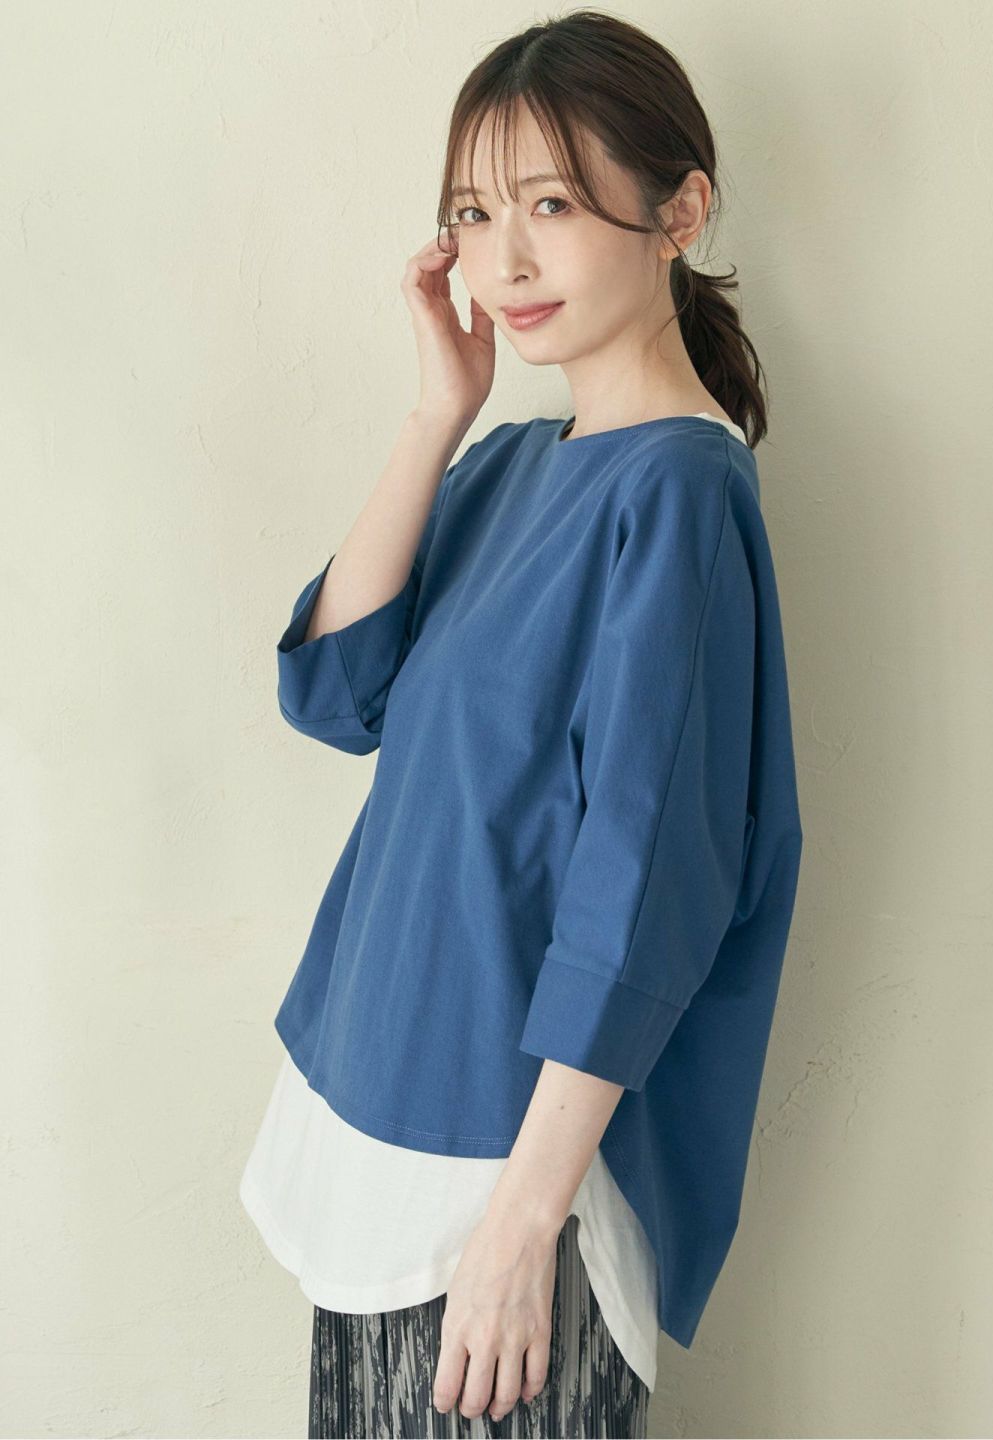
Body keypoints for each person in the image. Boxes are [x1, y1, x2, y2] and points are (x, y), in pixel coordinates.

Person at [238, 11, 804, 1438]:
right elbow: (334, 691)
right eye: (473, 215)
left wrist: (520, 1226)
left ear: (682, 211)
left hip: (506, 1186)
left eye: (551, 205)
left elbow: (648, 888)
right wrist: (440, 411)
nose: (505, 260)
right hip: (382, 1123)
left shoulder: (678, 494)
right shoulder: (505, 469)